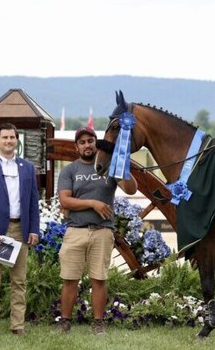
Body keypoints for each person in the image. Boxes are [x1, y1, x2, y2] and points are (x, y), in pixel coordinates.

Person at [56, 126, 137, 335]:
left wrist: (123, 164)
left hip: (102, 231)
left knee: (99, 279)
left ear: (96, 143)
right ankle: (65, 321)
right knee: (69, 278)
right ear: (77, 147)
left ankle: (99, 323)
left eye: (90, 141)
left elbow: (131, 189)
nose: (87, 145)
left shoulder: (109, 168)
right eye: (82, 142)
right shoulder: (70, 171)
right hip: (75, 230)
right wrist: (93, 203)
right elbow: (65, 200)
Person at [0, 123, 40, 335]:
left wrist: (34, 230)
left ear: (17, 140)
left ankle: (17, 325)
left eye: (12, 137)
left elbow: (33, 202)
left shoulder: (27, 167)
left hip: (21, 230)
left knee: (19, 281)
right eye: (5, 138)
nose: (9, 141)